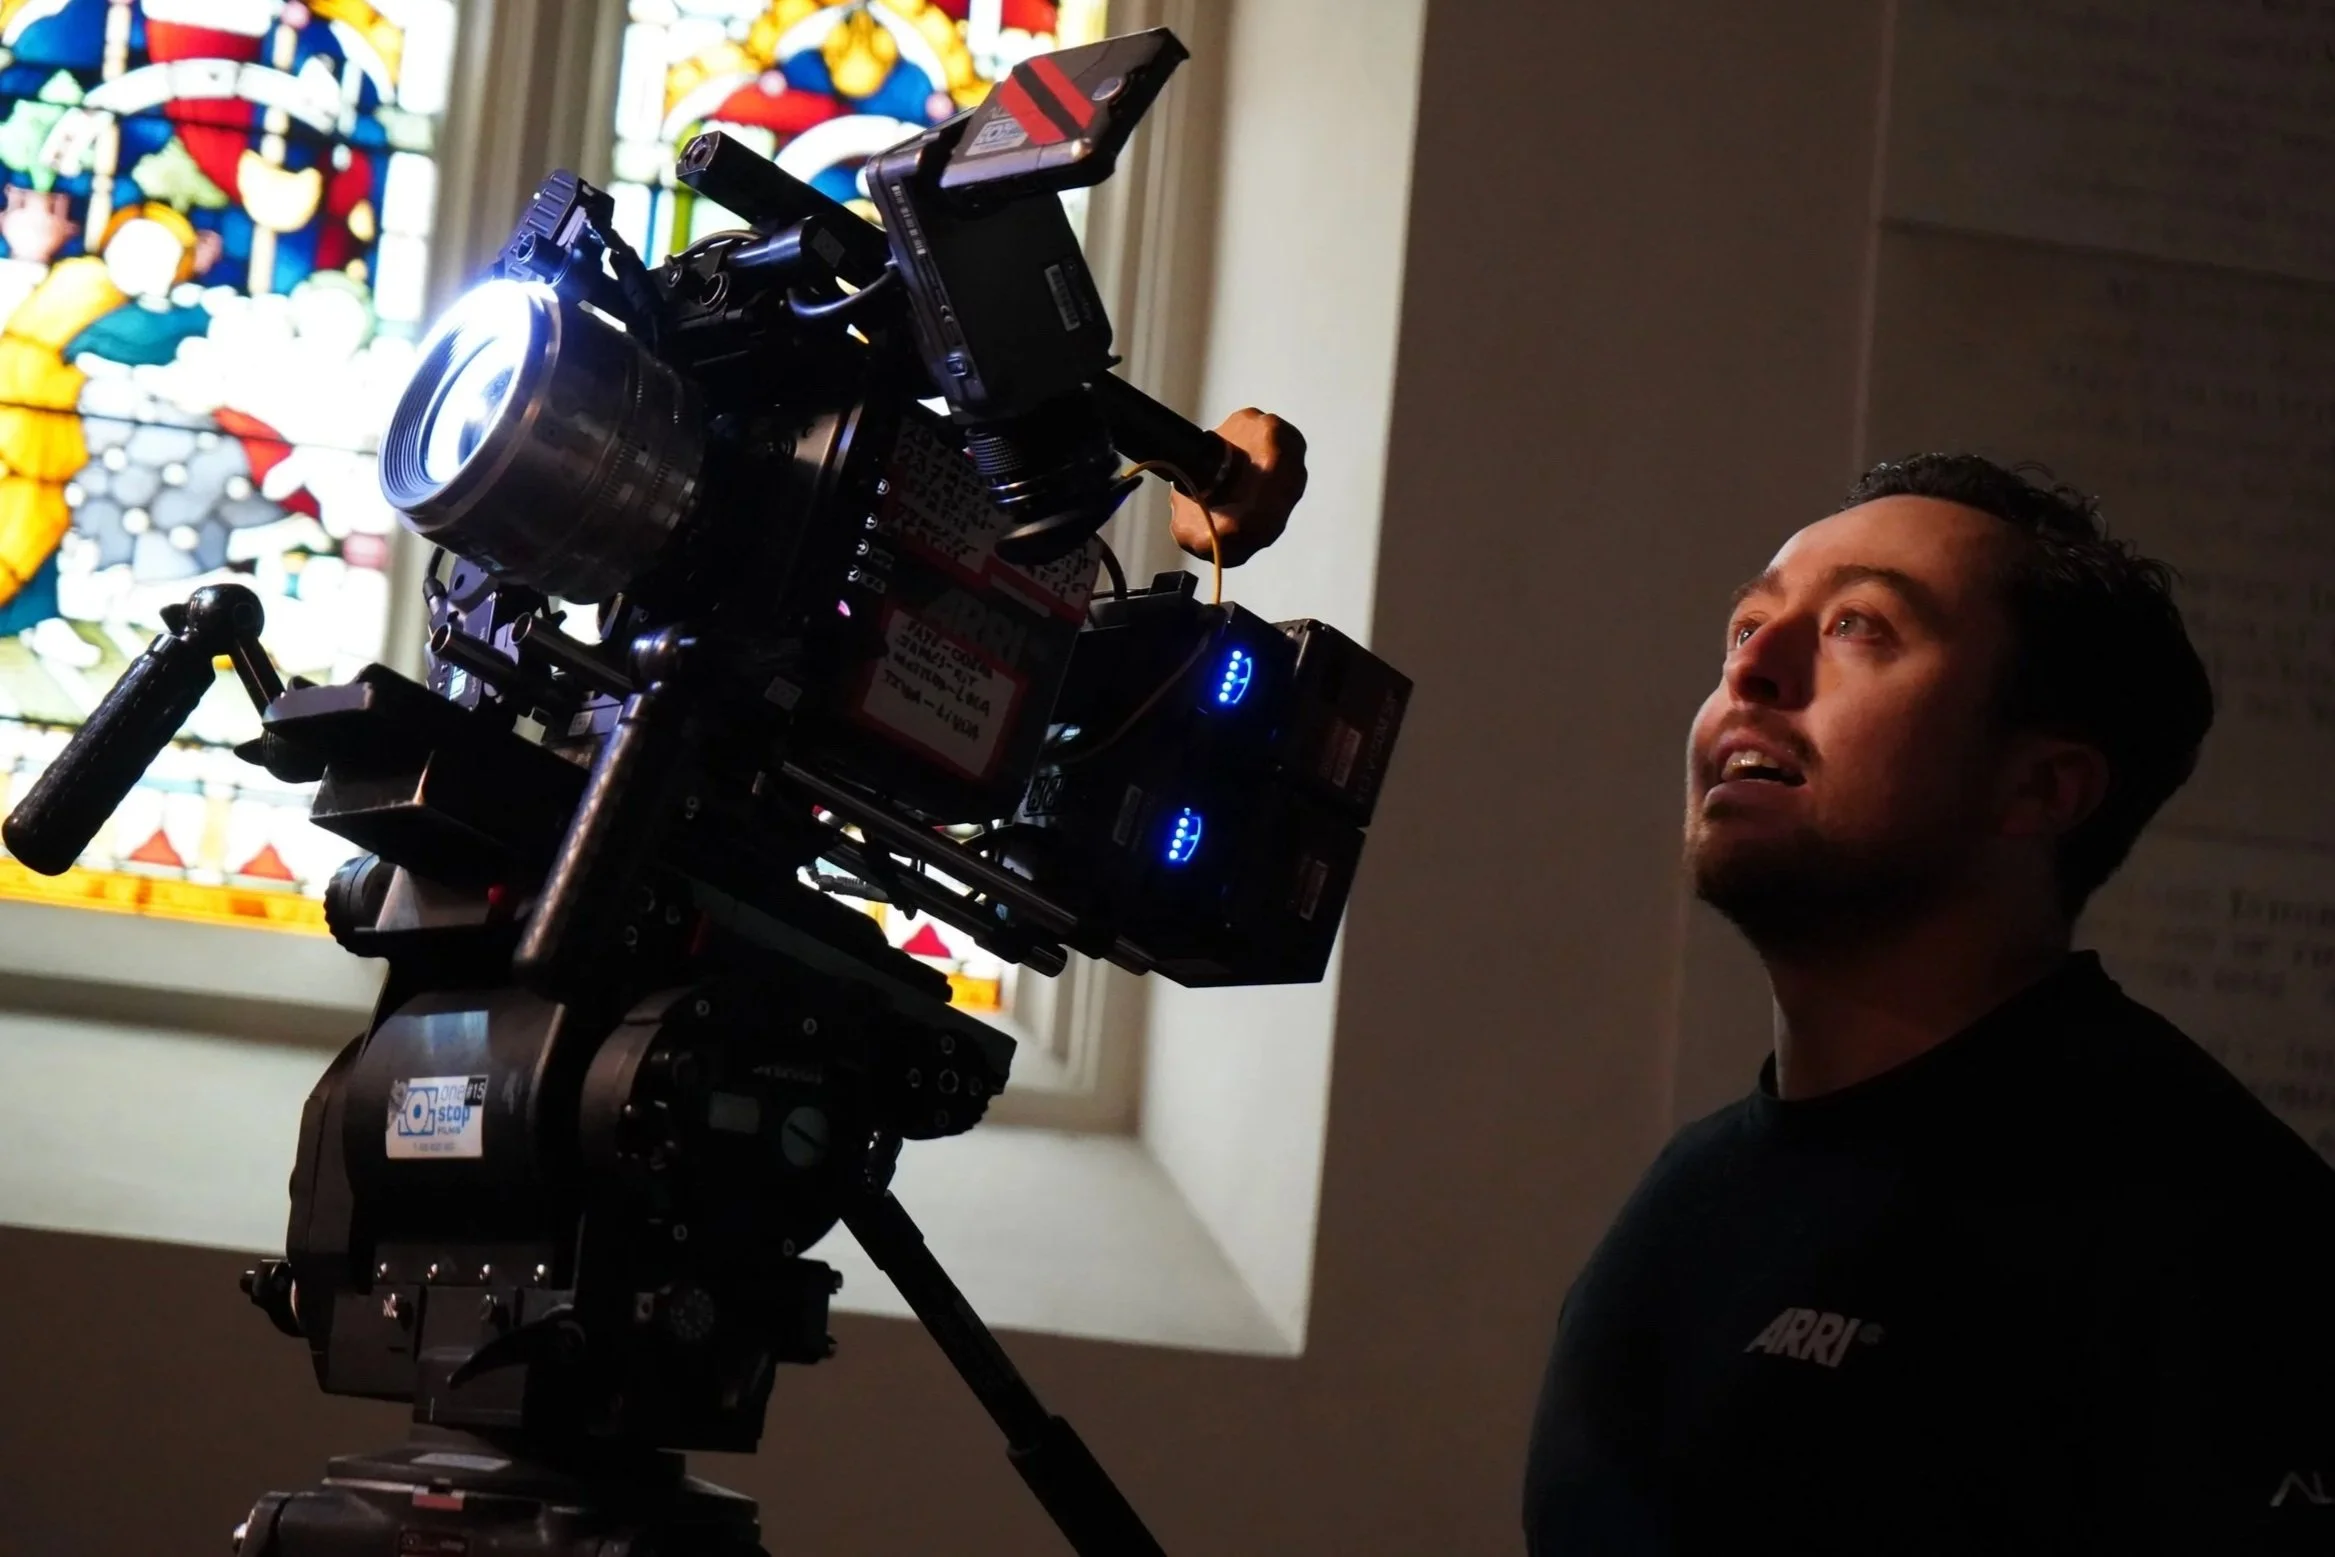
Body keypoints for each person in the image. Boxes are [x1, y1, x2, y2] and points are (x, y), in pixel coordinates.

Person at [1524, 455, 2335, 1554]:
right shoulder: (1685, 1207)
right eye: (1746, 627)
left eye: (1859, 625)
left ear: (2039, 788)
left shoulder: (2219, 1232)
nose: (1753, 666)